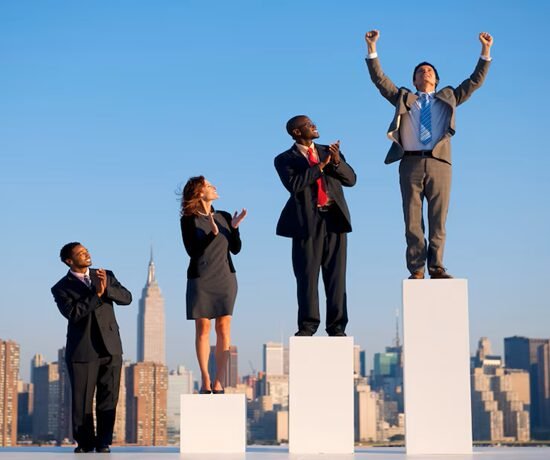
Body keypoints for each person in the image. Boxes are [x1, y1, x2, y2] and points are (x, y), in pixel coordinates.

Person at [364, 30, 493, 279]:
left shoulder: (449, 97)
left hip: (439, 163)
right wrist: (372, 48)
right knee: (412, 219)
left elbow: (474, 81)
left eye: (430, 71)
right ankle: (416, 269)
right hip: (410, 162)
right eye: (420, 71)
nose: (426, 73)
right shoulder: (404, 97)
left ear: (436, 79)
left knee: (438, 218)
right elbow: (380, 80)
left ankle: (437, 266)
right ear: (414, 81)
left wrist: (485, 52)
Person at [275, 116, 356, 336]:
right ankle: (308, 326)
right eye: (308, 124)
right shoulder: (284, 159)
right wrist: (320, 166)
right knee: (307, 278)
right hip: (306, 224)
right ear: (296, 132)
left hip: (335, 221)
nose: (314, 125)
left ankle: (337, 327)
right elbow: (295, 185)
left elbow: (351, 180)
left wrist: (337, 162)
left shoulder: (329, 151)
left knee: (337, 278)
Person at [51, 242, 132, 453]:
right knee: (82, 400)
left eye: (86, 250)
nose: (86, 254)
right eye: (80, 253)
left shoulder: (105, 274)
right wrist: (95, 295)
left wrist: (107, 290)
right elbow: (74, 313)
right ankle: (85, 443)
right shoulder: (61, 288)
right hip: (83, 351)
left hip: (111, 348)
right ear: (69, 261)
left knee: (109, 398)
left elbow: (127, 298)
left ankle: (104, 442)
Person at [180, 176, 246, 394]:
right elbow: (193, 250)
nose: (214, 187)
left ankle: (219, 381)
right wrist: (212, 233)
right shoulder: (188, 219)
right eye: (209, 186)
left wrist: (234, 229)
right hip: (201, 278)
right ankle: (206, 379)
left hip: (225, 277)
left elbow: (235, 249)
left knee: (224, 328)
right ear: (199, 193)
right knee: (203, 328)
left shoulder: (224, 216)